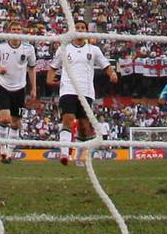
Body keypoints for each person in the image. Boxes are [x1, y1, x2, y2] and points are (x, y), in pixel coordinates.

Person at [47, 21, 118, 167]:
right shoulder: (64, 49)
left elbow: (106, 65)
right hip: (68, 90)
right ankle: (64, 154)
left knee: (84, 127)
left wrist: (112, 73)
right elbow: (53, 67)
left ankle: (78, 157)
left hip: (86, 92)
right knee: (68, 119)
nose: (79, 30)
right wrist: (49, 79)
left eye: (82, 28)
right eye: (77, 28)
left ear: (86, 31)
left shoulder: (94, 50)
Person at [0, 21, 37, 164]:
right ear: (9, 31)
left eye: (18, 29)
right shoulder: (0, 48)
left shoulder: (28, 49)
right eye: (13, 29)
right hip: (3, 87)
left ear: (21, 31)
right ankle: (3, 149)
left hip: (20, 89)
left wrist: (34, 87)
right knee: (5, 119)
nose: (16, 31)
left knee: (16, 123)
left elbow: (32, 68)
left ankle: (10, 152)